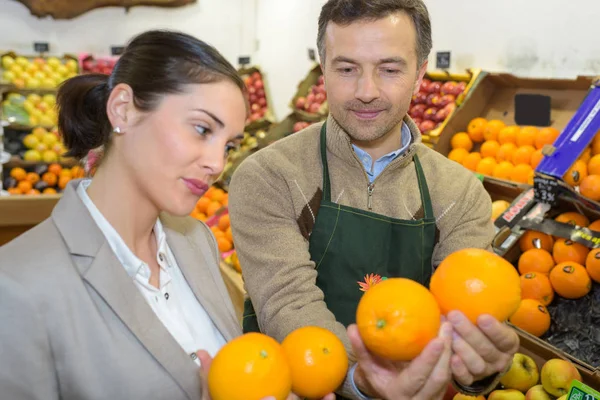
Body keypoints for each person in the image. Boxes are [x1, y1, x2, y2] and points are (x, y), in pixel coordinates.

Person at [0, 29, 454, 400]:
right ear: (123, 109)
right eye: (201, 130)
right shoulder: (18, 288)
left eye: (229, 145)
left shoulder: (193, 242)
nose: (216, 164)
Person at [228, 1, 519, 399]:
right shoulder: (270, 176)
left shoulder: (459, 193)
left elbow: (463, 314)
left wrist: (476, 368)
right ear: (323, 71)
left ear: (419, 74)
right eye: (347, 69)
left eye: (390, 69)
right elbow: (289, 304)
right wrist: (362, 383)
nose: (366, 92)